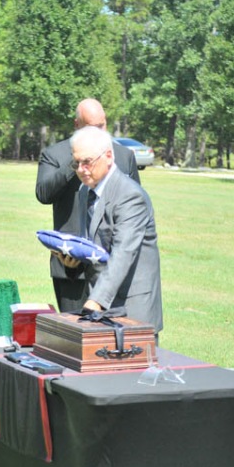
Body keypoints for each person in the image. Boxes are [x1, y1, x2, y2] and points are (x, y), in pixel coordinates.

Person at [54, 125, 163, 333]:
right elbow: (93, 245)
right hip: (100, 305)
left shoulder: (130, 196)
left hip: (132, 309)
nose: (81, 170)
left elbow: (123, 253)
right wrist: (73, 264)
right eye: (76, 163)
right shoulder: (85, 191)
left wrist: (96, 301)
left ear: (109, 156)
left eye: (87, 162)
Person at [36, 99, 138, 312]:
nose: (97, 132)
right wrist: (77, 161)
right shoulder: (54, 154)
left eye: (101, 126)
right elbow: (44, 194)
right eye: (91, 127)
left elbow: (135, 211)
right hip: (71, 264)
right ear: (77, 125)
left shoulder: (123, 155)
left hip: (114, 265)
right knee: (74, 330)